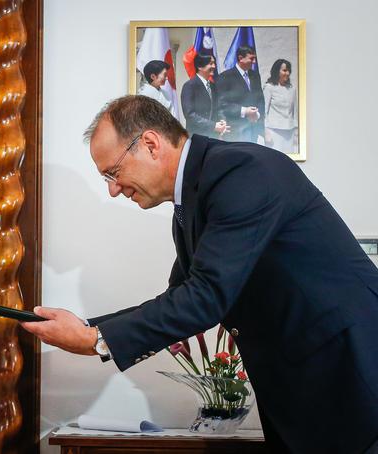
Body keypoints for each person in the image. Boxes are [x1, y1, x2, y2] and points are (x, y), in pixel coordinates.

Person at [22, 95, 378, 454]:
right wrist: (86, 328)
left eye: (113, 173)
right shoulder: (194, 199)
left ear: (149, 143)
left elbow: (205, 297)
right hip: (302, 384)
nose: (113, 190)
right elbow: (180, 297)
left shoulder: (241, 172)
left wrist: (96, 339)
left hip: (350, 373)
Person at [215, 45, 265, 143]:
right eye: (251, 58)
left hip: (254, 129)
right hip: (236, 131)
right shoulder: (225, 77)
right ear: (241, 58)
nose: (254, 62)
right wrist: (245, 111)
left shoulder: (255, 75)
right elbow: (222, 105)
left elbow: (260, 99)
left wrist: (257, 115)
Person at [180, 53, 229, 138]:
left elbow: (218, 108)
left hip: (213, 136)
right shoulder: (190, 86)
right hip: (197, 136)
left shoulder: (213, 86)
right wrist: (213, 126)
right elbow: (190, 115)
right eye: (211, 63)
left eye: (214, 63)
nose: (214, 66)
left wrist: (222, 121)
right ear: (199, 66)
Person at [263, 59, 298, 153]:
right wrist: (266, 132)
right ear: (277, 71)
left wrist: (296, 132)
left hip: (289, 133)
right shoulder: (269, 87)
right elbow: (264, 111)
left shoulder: (292, 89)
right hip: (274, 132)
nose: (287, 73)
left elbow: (295, 112)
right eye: (284, 70)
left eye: (288, 71)